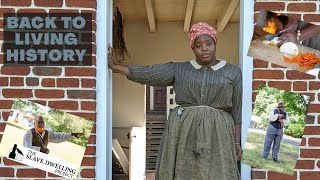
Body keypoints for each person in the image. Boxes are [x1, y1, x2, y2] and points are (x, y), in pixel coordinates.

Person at [108, 22, 242, 180]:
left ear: (215, 43)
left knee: (218, 172)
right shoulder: (180, 69)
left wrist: (236, 143)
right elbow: (149, 73)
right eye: (198, 45)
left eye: (208, 43)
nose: (204, 48)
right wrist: (116, 67)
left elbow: (237, 111)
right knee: (185, 171)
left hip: (218, 132)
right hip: (184, 131)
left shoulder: (233, 72)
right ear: (192, 48)